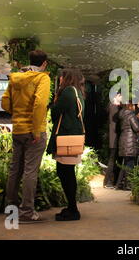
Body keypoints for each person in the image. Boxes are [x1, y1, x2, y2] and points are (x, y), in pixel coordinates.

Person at [1, 50, 51, 223]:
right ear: (44, 64)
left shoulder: (15, 77)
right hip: (33, 132)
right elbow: (40, 104)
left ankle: (11, 209)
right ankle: (27, 212)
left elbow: (5, 102)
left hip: (18, 129)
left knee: (15, 170)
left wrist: (17, 115)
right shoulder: (42, 78)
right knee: (30, 171)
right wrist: (36, 130)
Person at [47, 69, 86, 221]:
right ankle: (71, 207)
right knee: (66, 173)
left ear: (66, 78)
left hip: (66, 138)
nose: (60, 80)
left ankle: (73, 209)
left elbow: (55, 113)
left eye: (61, 77)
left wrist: (55, 100)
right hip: (73, 137)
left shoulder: (69, 91)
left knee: (65, 173)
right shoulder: (78, 92)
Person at [115, 102, 139, 190]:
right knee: (130, 164)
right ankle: (128, 185)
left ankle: (120, 184)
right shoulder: (131, 115)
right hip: (130, 142)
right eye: (134, 105)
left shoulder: (122, 115)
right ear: (131, 106)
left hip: (123, 141)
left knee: (125, 164)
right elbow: (136, 128)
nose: (135, 107)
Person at [103, 93, 122, 189]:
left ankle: (109, 181)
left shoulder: (111, 107)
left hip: (113, 137)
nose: (122, 97)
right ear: (115, 97)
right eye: (120, 95)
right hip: (114, 138)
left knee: (113, 159)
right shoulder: (114, 108)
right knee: (112, 159)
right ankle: (108, 182)